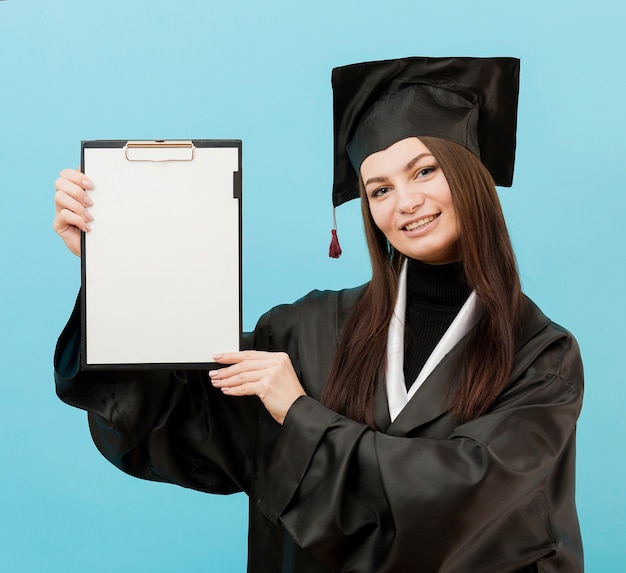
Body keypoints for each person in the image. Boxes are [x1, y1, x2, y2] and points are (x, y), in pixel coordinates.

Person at [53, 57, 584, 572]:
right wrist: (116, 268)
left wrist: (300, 413)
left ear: (471, 176)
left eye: (424, 170)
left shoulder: (540, 357)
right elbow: (169, 413)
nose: (405, 202)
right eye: (379, 189)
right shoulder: (303, 332)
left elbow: (466, 500)